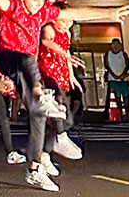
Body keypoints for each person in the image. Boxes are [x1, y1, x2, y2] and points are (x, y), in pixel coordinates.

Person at [0, 0, 129, 192]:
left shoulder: (42, 13)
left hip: (26, 72)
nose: (40, 5)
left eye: (43, 0)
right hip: (7, 58)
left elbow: (74, 13)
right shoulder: (13, 7)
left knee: (38, 115)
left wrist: (109, 14)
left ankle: (34, 168)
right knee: (28, 60)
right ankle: (43, 102)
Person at [38, 12, 86, 166]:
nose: (66, 25)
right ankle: (61, 137)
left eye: (69, 22)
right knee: (57, 112)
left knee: (60, 116)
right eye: (63, 21)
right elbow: (46, 41)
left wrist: (71, 75)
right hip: (47, 74)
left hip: (61, 75)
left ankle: (45, 155)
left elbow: (68, 54)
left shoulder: (67, 34)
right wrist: (63, 53)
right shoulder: (49, 29)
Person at [104, 38, 129, 119]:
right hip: (113, 79)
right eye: (114, 44)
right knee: (117, 97)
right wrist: (113, 74)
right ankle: (120, 113)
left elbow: (127, 65)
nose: (115, 46)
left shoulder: (123, 54)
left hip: (123, 80)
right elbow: (107, 65)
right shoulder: (108, 54)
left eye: (117, 44)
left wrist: (123, 75)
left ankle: (127, 113)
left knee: (126, 96)